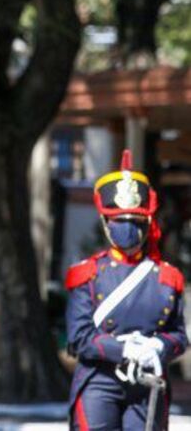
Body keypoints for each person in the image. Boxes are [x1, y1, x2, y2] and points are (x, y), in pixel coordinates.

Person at [65, 149, 187, 430]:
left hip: (148, 384)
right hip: (99, 382)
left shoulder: (167, 277)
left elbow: (179, 335)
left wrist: (159, 346)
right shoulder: (88, 274)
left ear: (147, 224)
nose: (128, 228)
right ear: (106, 224)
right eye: (120, 221)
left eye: (135, 221)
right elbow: (79, 337)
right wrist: (124, 350)